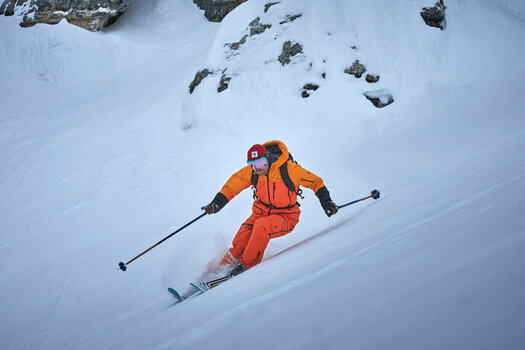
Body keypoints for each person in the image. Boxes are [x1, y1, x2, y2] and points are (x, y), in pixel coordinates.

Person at [204, 140, 338, 277]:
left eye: (261, 163)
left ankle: (244, 267)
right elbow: (232, 186)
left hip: (286, 216)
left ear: (268, 158)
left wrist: (327, 203)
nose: (257, 168)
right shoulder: (252, 173)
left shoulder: (289, 169)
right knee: (243, 234)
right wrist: (217, 203)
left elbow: (315, 182)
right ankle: (220, 271)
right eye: (252, 165)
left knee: (261, 226)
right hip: (261, 212)